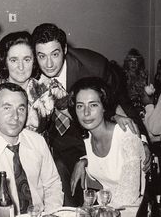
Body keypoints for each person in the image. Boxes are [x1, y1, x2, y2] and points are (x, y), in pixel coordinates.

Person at [31, 23, 146, 206]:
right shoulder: (30, 70)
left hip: (94, 137)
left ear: (65, 49)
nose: (49, 63)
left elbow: (121, 104)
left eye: (55, 54)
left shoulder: (94, 65)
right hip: (60, 142)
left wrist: (142, 143)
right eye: (41, 56)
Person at [0, 82, 63, 217]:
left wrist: (52, 213)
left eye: (21, 109)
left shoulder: (37, 142)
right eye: (7, 108)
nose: (15, 116)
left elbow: (52, 185)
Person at [0, 31, 68, 136]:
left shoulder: (48, 88)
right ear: (5, 61)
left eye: (27, 60)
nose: (21, 67)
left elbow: (79, 115)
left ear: (34, 61)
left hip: (36, 150)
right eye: (14, 60)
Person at [68, 77, 145, 208]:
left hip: (133, 209)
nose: (86, 113)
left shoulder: (125, 135)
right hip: (107, 208)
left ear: (104, 107)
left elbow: (129, 196)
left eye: (93, 105)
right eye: (80, 106)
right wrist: (84, 160)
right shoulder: (86, 138)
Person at [123, 48, 148, 117]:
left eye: (136, 61)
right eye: (131, 61)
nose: (133, 64)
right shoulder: (123, 76)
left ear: (139, 63)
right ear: (127, 63)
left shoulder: (143, 76)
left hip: (141, 109)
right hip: (127, 110)